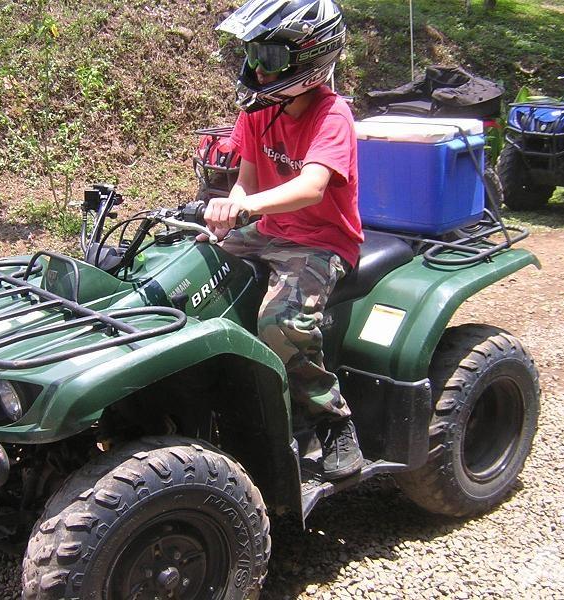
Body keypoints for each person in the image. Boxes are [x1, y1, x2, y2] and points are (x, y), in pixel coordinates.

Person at [201, 0, 365, 480]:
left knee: (279, 322)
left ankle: (332, 422)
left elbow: (312, 186)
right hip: (267, 231)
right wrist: (230, 209)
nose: (256, 68)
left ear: (311, 58)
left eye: (269, 57)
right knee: (183, 273)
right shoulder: (258, 111)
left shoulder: (332, 115)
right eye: (252, 55)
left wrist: (247, 208)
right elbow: (246, 182)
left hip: (321, 241)